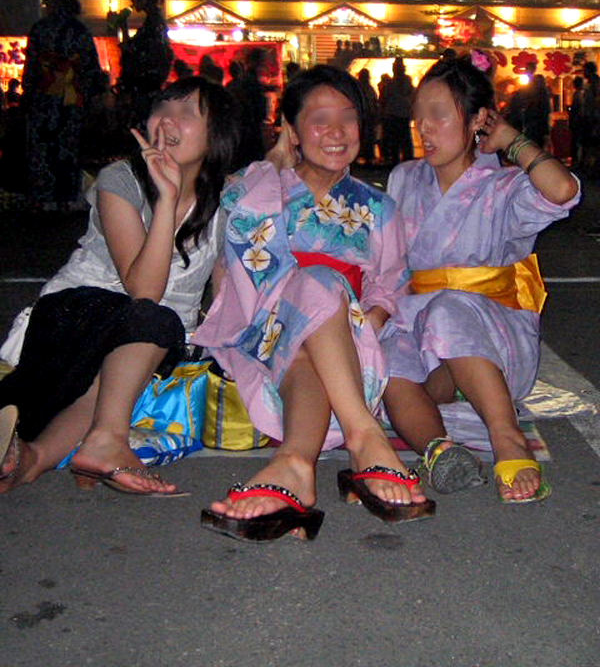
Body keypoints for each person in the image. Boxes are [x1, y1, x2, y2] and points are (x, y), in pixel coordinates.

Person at [194, 65, 434, 543]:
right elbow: (240, 260)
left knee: (322, 299)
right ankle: (365, 437)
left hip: (347, 344)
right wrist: (274, 162)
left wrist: (361, 323)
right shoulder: (260, 188)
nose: (337, 132)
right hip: (263, 338)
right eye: (319, 120)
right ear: (292, 129)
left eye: (348, 118)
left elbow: (390, 285)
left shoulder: (377, 207)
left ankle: (295, 465)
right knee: (316, 283)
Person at [0, 77, 241, 496]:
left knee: (113, 381)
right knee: (153, 320)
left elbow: (222, 285)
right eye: (162, 108)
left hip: (145, 351)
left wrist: (231, 350)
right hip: (73, 321)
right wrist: (166, 199)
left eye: (186, 112)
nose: (167, 120)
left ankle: (32, 461)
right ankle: (108, 440)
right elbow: (143, 291)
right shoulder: (121, 179)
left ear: (216, 135)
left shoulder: (225, 198)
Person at [379, 52, 580, 504]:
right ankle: (439, 450)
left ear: (477, 121)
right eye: (419, 116)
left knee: (448, 309)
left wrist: (511, 139)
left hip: (491, 334)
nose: (424, 128)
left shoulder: (503, 187)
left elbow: (563, 190)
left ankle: (507, 437)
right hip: (421, 326)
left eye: (438, 115)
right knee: (387, 356)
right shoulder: (404, 178)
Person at [21, 0, 104, 209]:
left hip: (45, 98)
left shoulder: (40, 29)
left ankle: (44, 197)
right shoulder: (79, 31)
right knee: (67, 149)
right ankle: (66, 197)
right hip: (70, 99)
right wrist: (91, 95)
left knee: (43, 149)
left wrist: (28, 93)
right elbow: (91, 67)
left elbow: (31, 66)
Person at [117, 0, 173, 130]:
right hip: (148, 90)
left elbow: (136, 54)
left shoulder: (152, 25)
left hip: (144, 91)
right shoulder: (155, 22)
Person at [380, 57, 415, 164]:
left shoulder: (391, 84)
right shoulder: (404, 82)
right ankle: (406, 160)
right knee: (404, 140)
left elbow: (384, 98)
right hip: (402, 114)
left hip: (395, 114)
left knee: (396, 140)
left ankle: (397, 160)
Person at [506, 67, 552, 149]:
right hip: (536, 126)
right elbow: (546, 113)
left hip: (528, 125)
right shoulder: (542, 94)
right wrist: (547, 132)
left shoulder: (525, 92)